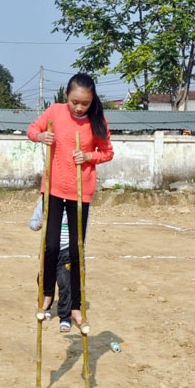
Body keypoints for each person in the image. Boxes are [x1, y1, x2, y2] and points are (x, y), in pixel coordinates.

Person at [27, 73, 114, 329]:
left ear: (92, 100)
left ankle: (75, 305)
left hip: (80, 191)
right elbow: (32, 129)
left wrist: (88, 156)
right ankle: (47, 294)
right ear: (67, 96)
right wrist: (40, 137)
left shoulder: (98, 121)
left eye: (85, 103)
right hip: (53, 189)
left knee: (76, 250)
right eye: (75, 101)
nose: (79, 107)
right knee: (51, 246)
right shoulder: (54, 112)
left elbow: (107, 152)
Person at [30, 200, 72, 332]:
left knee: (65, 283)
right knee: (44, 279)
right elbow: (31, 223)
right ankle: (46, 308)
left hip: (67, 250)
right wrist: (39, 224)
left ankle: (65, 317)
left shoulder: (74, 205)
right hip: (49, 249)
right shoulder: (46, 202)